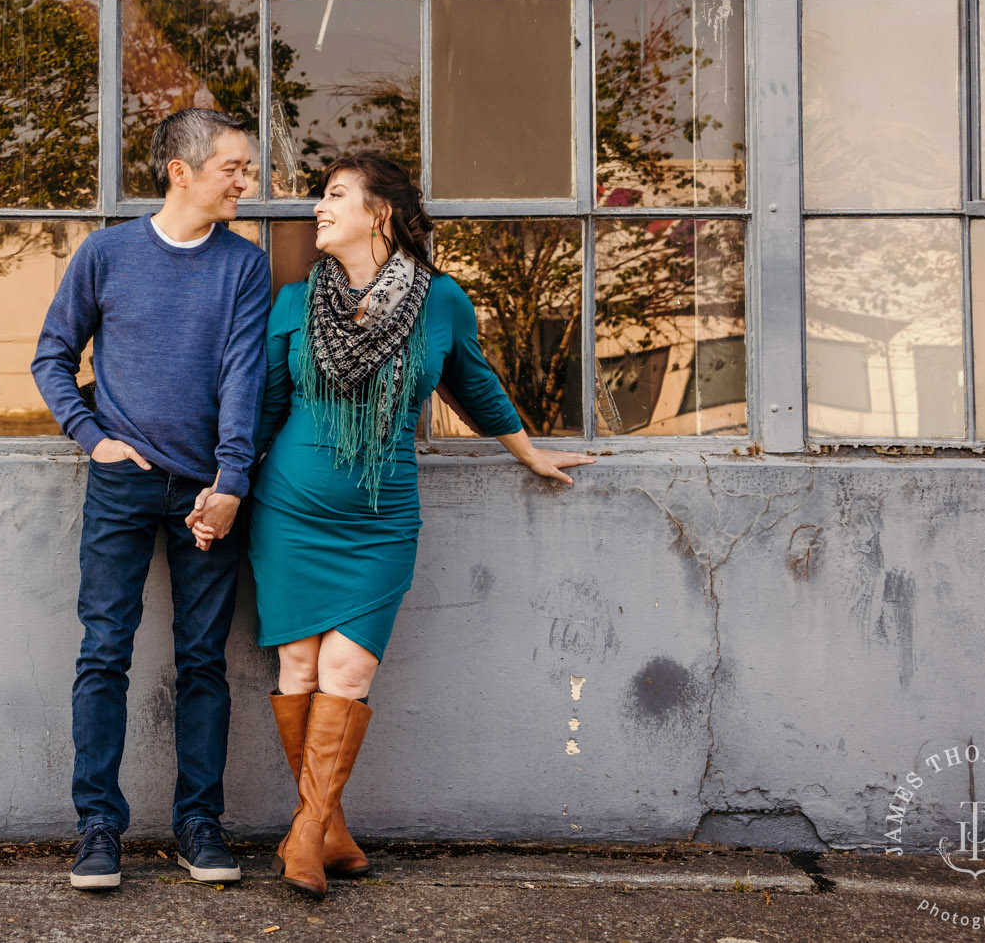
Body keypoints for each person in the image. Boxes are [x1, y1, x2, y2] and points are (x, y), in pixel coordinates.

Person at [244, 151, 594, 900]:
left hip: (380, 524)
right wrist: (226, 490)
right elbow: (265, 408)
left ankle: (303, 834)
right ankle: (326, 832)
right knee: (299, 670)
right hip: (290, 515)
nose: (317, 209)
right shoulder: (294, 302)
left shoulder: (441, 303)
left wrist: (528, 453)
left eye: (335, 196)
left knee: (350, 672)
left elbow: (476, 384)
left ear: (381, 213)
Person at [31, 108, 271, 892]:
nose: (249, 180)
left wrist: (231, 483)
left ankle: (199, 823)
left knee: (205, 661)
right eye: (234, 167)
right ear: (182, 171)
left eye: (249, 166)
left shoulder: (244, 265)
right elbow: (53, 355)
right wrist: (92, 436)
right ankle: (98, 827)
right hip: (124, 484)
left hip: (210, 492)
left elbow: (244, 378)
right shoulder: (107, 254)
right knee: (104, 651)